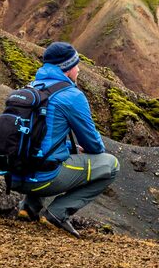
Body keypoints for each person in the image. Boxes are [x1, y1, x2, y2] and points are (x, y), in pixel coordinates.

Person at [9, 41, 119, 237]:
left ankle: (28, 207)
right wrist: (79, 148)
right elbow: (94, 145)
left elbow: (36, 139)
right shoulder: (71, 95)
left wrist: (68, 146)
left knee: (44, 153)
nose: (78, 70)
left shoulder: (31, 88)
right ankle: (57, 213)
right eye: (76, 65)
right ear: (67, 69)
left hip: (14, 177)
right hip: (43, 180)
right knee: (110, 165)